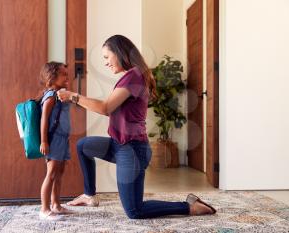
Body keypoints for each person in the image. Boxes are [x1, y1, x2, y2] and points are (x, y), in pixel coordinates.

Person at [58, 35, 216, 219]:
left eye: (107, 57)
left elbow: (105, 107)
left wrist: (72, 96)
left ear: (119, 53)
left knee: (134, 211)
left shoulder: (134, 76)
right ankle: (89, 195)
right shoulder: (130, 76)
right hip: (119, 145)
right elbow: (109, 108)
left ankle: (189, 207)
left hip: (132, 151)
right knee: (83, 145)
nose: (106, 63)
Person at [39, 62, 74, 221]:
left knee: (60, 173)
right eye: (63, 74)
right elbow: (44, 119)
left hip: (62, 139)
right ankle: (44, 209)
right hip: (53, 140)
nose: (67, 77)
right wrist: (44, 141)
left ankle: (56, 205)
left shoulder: (60, 94)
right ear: (52, 77)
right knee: (51, 173)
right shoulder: (51, 96)